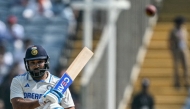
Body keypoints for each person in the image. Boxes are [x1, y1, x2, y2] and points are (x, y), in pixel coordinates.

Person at [10, 45, 75, 109]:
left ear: (46, 62)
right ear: (27, 64)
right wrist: (41, 101)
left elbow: (69, 107)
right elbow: (17, 105)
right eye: (32, 63)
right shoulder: (18, 80)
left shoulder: (59, 83)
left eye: (40, 62)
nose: (36, 66)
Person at [168, 16, 190, 88]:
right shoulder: (173, 31)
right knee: (177, 67)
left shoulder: (184, 29)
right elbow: (170, 42)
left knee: (186, 66)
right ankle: (177, 83)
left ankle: (187, 82)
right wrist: (172, 50)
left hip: (184, 49)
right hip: (177, 50)